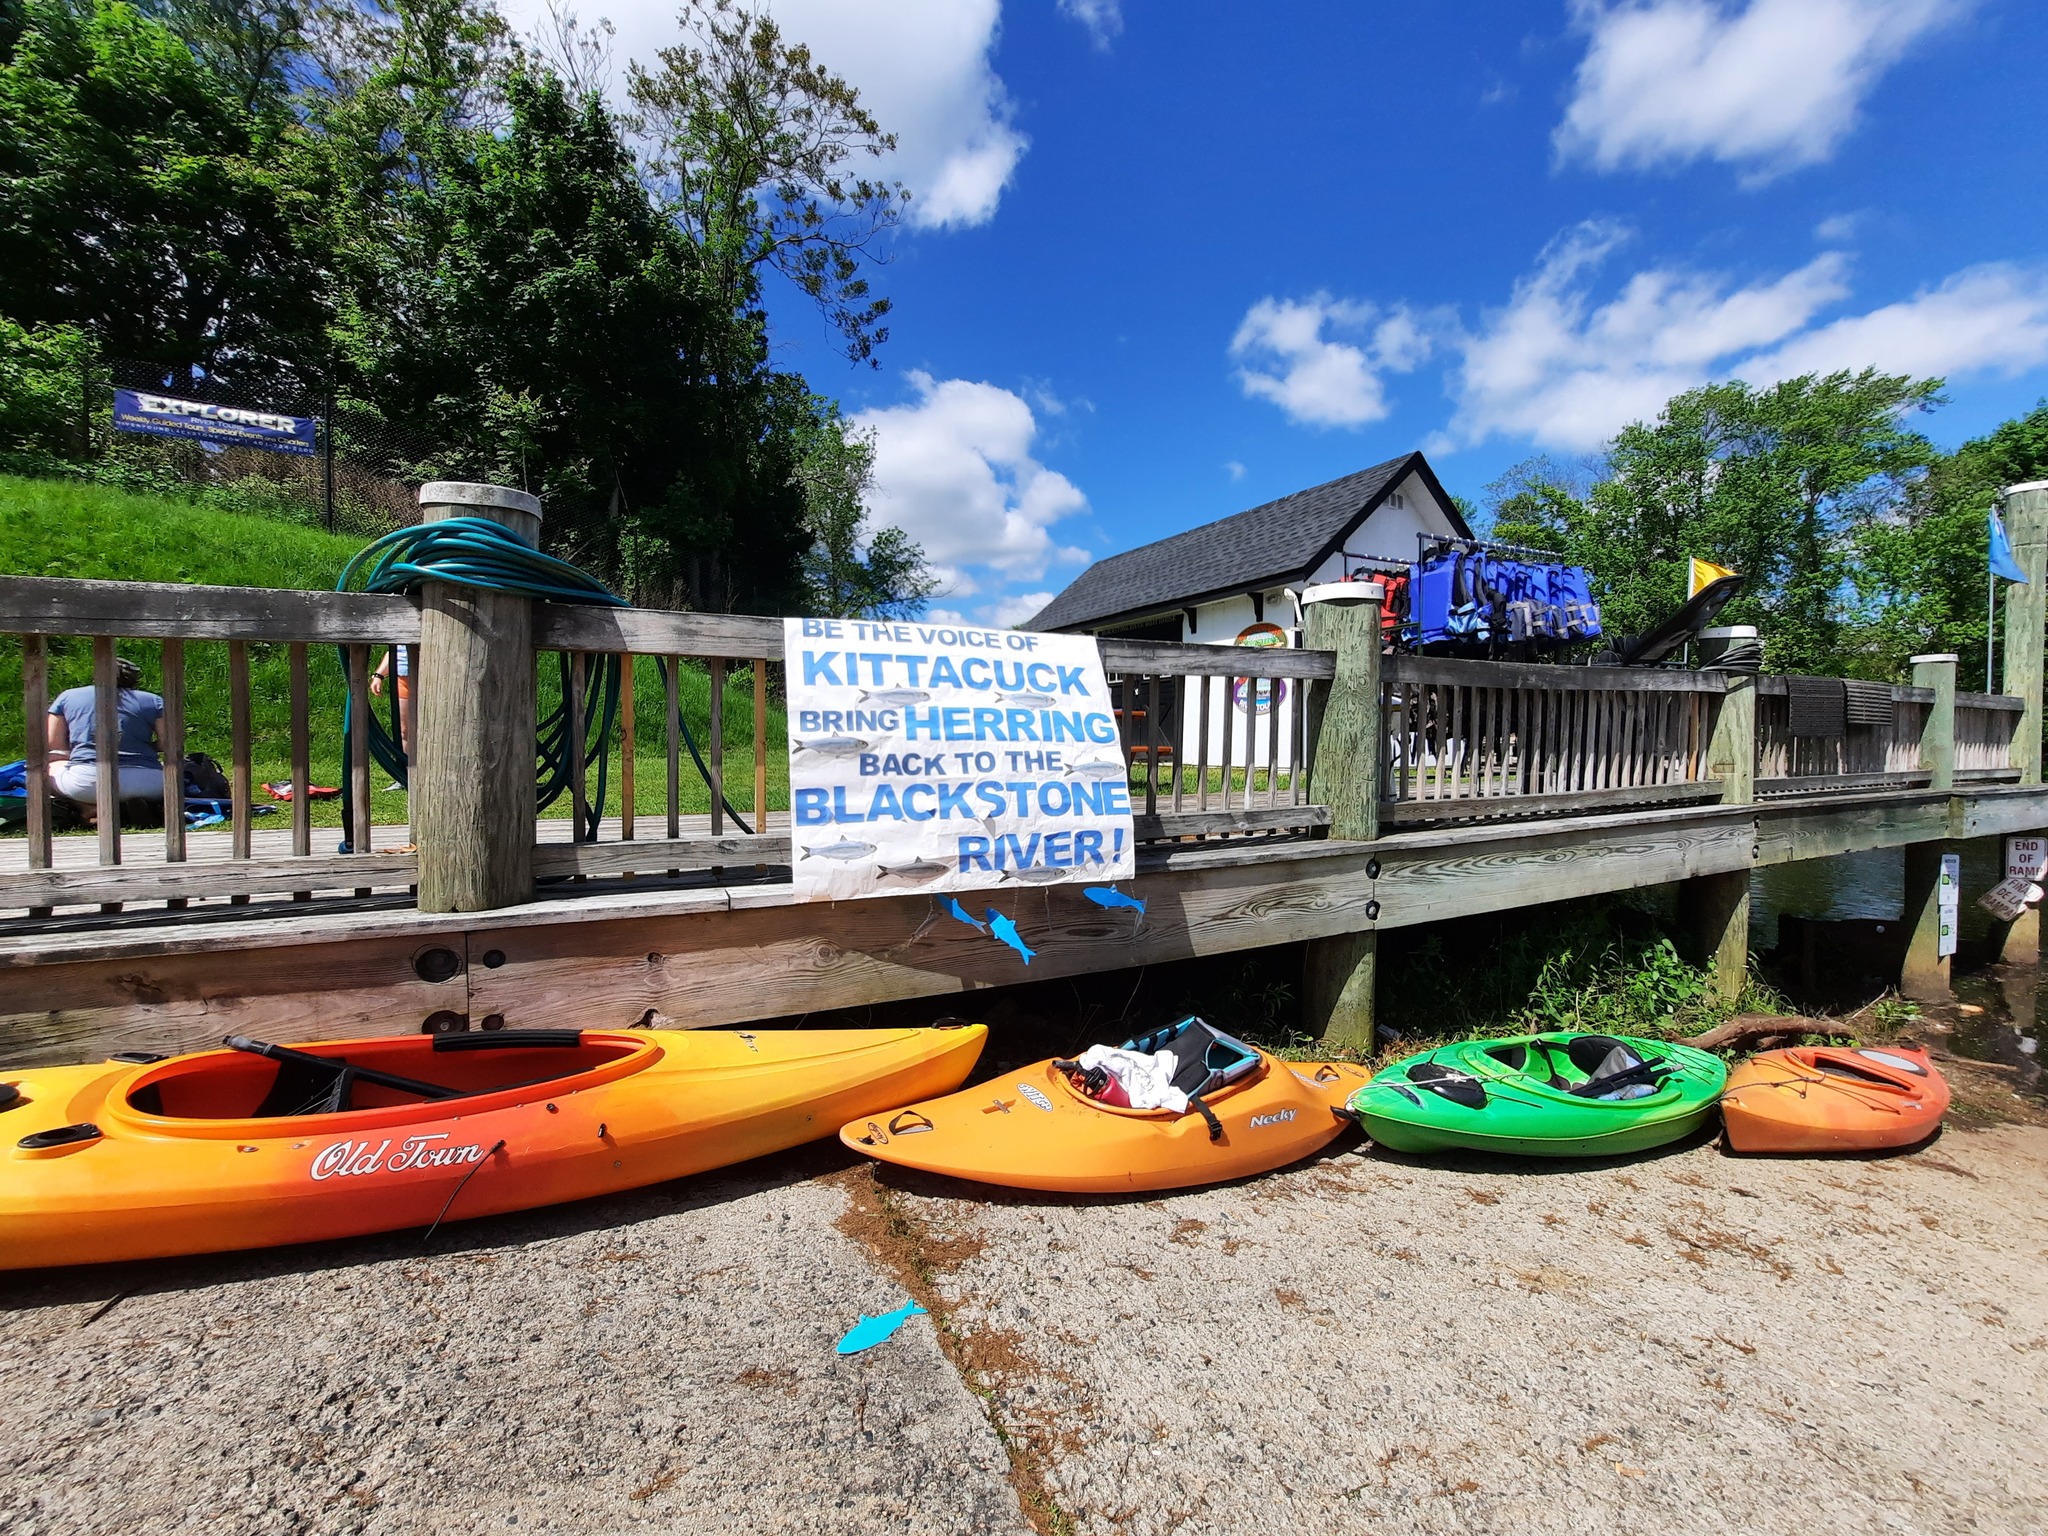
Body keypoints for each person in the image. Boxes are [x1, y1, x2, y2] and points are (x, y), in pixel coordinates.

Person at [46, 657, 167, 822]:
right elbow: (167, 743)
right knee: (166, 769)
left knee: (45, 769)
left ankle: (89, 809)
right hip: (149, 783)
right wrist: (145, 748)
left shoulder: (68, 697)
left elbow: (54, 743)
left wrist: (79, 751)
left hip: (88, 783)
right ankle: (145, 806)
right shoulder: (154, 700)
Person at [369, 645, 416, 767]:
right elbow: (395, 651)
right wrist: (379, 675)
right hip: (403, 679)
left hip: (428, 677)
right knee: (404, 730)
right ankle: (406, 770)